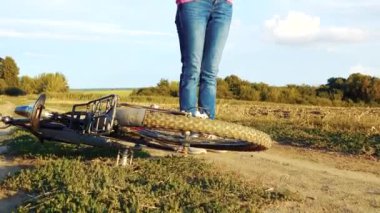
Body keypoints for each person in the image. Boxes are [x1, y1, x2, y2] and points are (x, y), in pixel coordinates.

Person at [175, 0, 233, 120]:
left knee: (210, 72)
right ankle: (188, 126)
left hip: (223, 6)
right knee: (192, 69)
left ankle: (207, 127)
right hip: (193, 4)